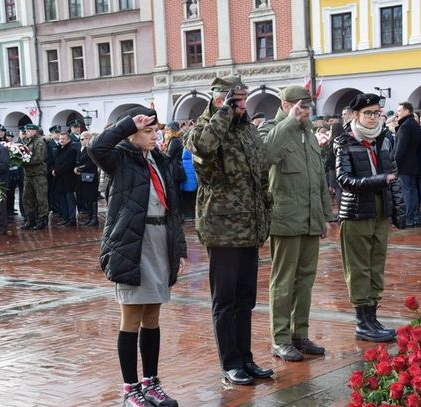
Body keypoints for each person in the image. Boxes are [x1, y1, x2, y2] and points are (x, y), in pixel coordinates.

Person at [88, 106, 186, 407]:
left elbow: (174, 197)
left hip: (159, 240)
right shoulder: (119, 158)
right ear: (132, 134)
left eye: (156, 130)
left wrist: (178, 247)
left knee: (152, 316)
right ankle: (130, 389)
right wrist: (127, 124)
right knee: (131, 316)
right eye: (148, 131)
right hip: (133, 243)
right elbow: (96, 147)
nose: (155, 135)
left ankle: (151, 383)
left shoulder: (156, 158)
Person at [185, 75, 273, 385]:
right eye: (236, 98)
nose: (242, 104)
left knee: (245, 298)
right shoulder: (203, 131)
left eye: (244, 98)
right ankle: (230, 362)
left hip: (249, 226)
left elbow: (261, 174)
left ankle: (246, 358)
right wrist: (220, 112)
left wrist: (266, 208)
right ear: (220, 99)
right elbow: (203, 148)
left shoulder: (248, 130)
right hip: (222, 228)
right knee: (225, 299)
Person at [260, 85, 334, 361]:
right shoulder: (273, 129)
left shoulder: (309, 134)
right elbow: (265, 155)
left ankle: (298, 334)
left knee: (305, 281)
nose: (303, 109)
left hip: (309, 218)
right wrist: (290, 121)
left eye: (306, 105)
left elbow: (319, 179)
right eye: (298, 105)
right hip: (285, 219)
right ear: (285, 104)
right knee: (283, 282)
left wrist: (325, 215)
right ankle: (280, 339)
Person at [334, 93, 405, 343]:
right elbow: (344, 180)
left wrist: (398, 210)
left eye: (377, 113)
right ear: (356, 115)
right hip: (355, 211)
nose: (374, 118)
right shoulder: (345, 141)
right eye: (368, 114)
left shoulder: (384, 139)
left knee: (376, 264)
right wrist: (377, 181)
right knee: (359, 268)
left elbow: (393, 173)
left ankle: (372, 317)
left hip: (380, 209)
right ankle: (362, 321)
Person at [393, 102, 421, 227]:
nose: (397, 113)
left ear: (406, 111)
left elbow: (400, 148)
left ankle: (409, 217)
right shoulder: (414, 124)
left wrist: (394, 163)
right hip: (413, 162)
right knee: (412, 190)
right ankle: (415, 216)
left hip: (404, 164)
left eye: (399, 111)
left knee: (407, 191)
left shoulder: (405, 126)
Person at [21, 124, 49, 230]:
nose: (26, 132)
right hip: (28, 175)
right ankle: (31, 219)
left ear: (34, 131)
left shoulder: (39, 142)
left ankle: (42, 220)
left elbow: (39, 158)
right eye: (26, 130)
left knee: (41, 198)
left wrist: (24, 162)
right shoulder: (28, 142)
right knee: (26, 198)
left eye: (29, 130)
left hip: (38, 174)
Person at [52, 132, 78, 227]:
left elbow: (68, 165)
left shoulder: (72, 150)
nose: (61, 140)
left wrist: (56, 171)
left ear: (69, 140)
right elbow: (56, 162)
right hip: (59, 179)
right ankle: (65, 217)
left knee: (69, 200)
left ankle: (72, 219)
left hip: (68, 179)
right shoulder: (59, 149)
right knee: (62, 200)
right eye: (60, 139)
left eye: (63, 139)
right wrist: (53, 170)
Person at [74, 131, 99, 226]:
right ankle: (89, 217)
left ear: (88, 139)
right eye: (80, 139)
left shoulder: (91, 148)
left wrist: (79, 169)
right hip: (82, 176)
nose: (80, 141)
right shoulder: (81, 148)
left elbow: (91, 163)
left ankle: (94, 218)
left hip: (90, 175)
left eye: (83, 139)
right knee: (86, 198)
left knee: (92, 198)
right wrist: (76, 168)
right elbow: (77, 160)